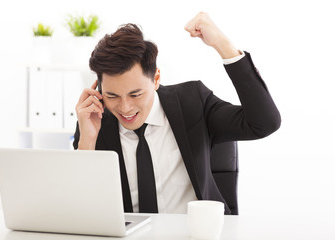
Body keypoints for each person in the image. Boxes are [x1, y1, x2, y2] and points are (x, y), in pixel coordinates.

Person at [73, 12, 281, 215]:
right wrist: (87, 142)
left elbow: (264, 123)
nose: (125, 107)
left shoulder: (193, 102)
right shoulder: (94, 121)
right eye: (112, 96)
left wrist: (222, 44)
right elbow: (83, 210)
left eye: (135, 94)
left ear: (156, 79)